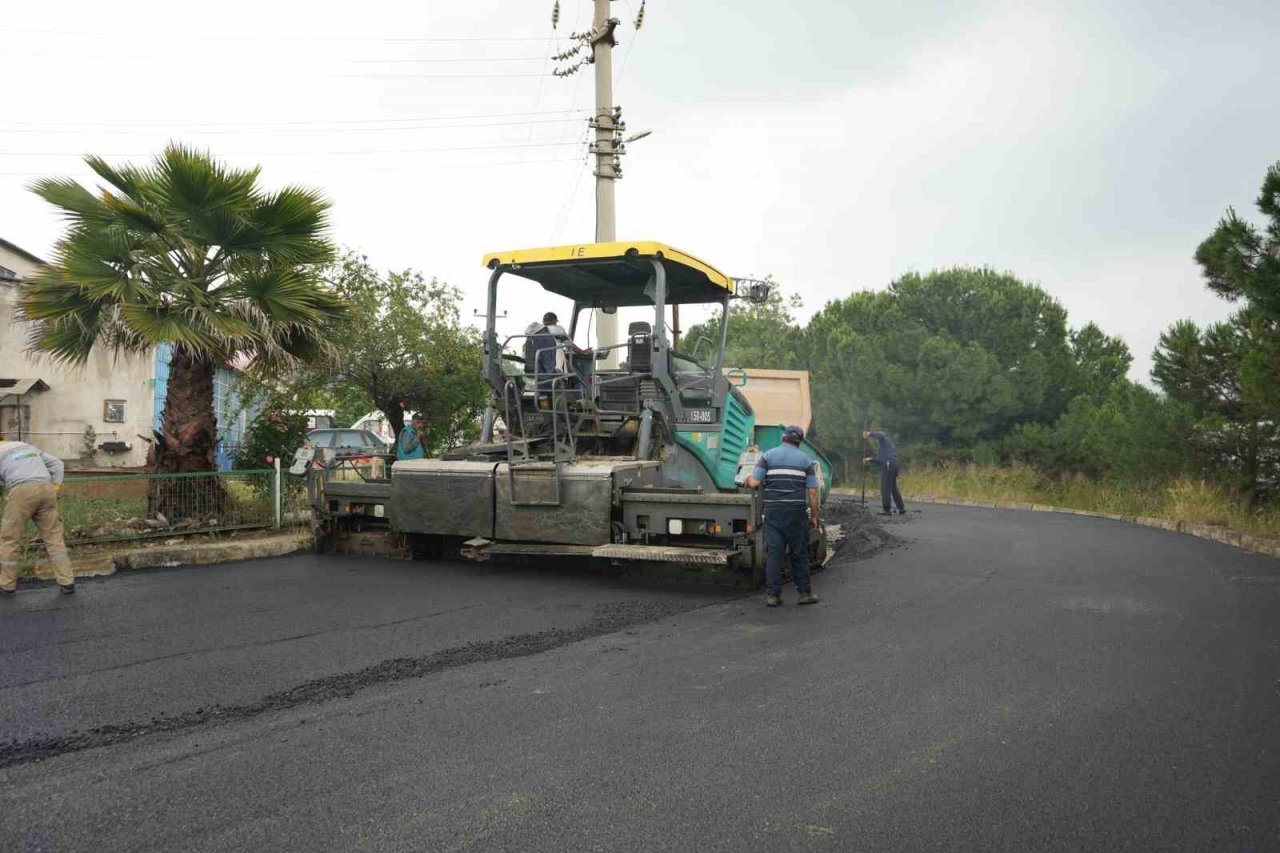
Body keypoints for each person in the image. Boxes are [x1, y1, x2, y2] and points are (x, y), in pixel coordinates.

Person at [744, 424, 820, 608]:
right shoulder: (806, 460)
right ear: (800, 442)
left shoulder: (768, 456)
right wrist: (814, 517)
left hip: (773, 512)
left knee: (774, 554)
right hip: (796, 513)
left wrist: (746, 480)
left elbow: (754, 482)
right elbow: (813, 492)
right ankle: (804, 594)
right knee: (799, 553)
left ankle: (773, 596)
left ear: (783, 438)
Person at [0, 436, 74, 595]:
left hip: (21, 491)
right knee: (54, 537)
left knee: (9, 539)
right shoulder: (25, 446)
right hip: (46, 489)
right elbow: (57, 464)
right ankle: (67, 582)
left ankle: (7, 585)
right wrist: (56, 487)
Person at [525, 312, 592, 404]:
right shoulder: (557, 329)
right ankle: (579, 402)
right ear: (554, 321)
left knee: (543, 386)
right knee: (579, 380)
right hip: (556, 366)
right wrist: (583, 352)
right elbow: (569, 345)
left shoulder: (536, 334)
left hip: (540, 370)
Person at [863, 428, 905, 516]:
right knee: (893, 488)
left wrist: (869, 434)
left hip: (889, 464)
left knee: (885, 488)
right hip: (893, 464)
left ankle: (887, 510)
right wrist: (869, 459)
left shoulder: (884, 440)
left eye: (877, 440)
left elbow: (881, 435)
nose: (877, 441)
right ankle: (901, 508)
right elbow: (879, 460)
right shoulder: (883, 449)